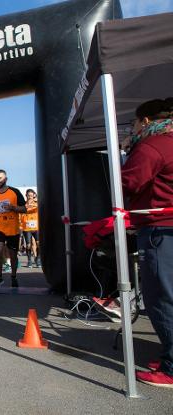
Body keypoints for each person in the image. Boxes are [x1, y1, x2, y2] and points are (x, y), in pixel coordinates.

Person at [122, 98, 173, 388]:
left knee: (161, 297)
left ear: (145, 121)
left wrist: (127, 156)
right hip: (164, 227)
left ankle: (171, 367)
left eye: (134, 123)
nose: (132, 128)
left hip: (160, 230)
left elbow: (128, 182)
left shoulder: (152, 145)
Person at [0, 170, 26, 288]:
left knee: (13, 255)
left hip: (12, 228)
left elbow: (24, 209)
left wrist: (13, 208)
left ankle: (13, 276)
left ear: (6, 179)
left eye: (0, 178)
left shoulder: (14, 192)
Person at [21, 189, 40, 268]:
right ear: (26, 195)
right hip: (27, 228)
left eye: (31, 196)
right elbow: (20, 215)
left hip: (36, 228)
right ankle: (29, 260)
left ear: (34, 196)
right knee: (28, 245)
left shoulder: (37, 204)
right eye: (28, 195)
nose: (30, 197)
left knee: (39, 244)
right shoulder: (23, 205)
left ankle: (37, 259)